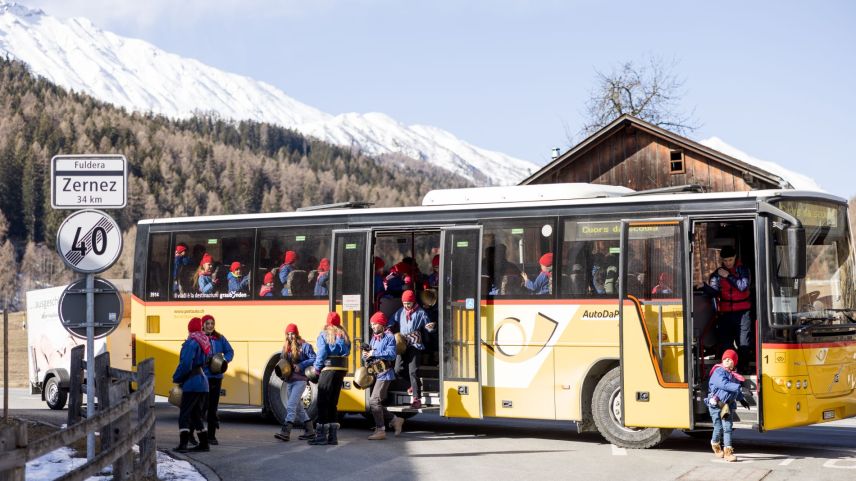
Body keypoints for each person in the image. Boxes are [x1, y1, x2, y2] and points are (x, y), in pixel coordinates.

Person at [702, 246, 752, 373]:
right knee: (725, 343)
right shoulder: (717, 274)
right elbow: (714, 292)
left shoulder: (743, 270)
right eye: (725, 260)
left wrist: (728, 276)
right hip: (725, 313)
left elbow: (743, 286)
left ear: (735, 258)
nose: (728, 263)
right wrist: (704, 287)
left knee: (743, 343)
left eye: (730, 260)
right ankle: (727, 371)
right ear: (721, 260)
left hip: (743, 312)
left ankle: (743, 369)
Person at [308, 312, 351, 446]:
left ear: (327, 323)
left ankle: (321, 436)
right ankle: (333, 437)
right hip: (341, 371)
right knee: (333, 403)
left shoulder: (325, 334)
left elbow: (321, 352)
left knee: (322, 403)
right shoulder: (344, 335)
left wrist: (316, 368)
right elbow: (347, 351)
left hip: (327, 369)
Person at [389, 290, 436, 408]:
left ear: (413, 301)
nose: (406, 305)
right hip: (402, 344)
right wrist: (387, 327)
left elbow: (428, 327)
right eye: (404, 303)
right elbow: (391, 320)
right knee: (398, 369)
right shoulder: (400, 312)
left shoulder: (420, 312)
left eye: (408, 303)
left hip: (415, 344)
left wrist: (431, 327)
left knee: (412, 371)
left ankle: (416, 398)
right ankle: (413, 383)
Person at [364, 312, 406, 440]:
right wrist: (366, 355)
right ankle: (395, 420)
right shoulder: (374, 337)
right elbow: (370, 353)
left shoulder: (389, 337)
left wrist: (374, 353)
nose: (373, 326)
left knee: (373, 401)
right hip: (377, 372)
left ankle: (380, 430)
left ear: (382, 324)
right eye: (371, 324)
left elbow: (392, 354)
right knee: (375, 403)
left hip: (386, 373)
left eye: (375, 324)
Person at [172, 317, 210, 453]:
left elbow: (186, 364)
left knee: (184, 414)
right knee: (195, 415)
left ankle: (183, 444)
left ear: (189, 329)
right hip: (203, 383)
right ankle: (204, 443)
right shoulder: (205, 341)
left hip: (192, 383)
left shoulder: (192, 342)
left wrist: (177, 377)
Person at [705, 349, 750, 462]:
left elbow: (735, 389)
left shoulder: (734, 375)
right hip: (716, 405)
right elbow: (724, 384)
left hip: (726, 407)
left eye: (729, 359)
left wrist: (742, 399)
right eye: (725, 359)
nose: (726, 361)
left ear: (734, 362)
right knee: (719, 427)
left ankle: (728, 453)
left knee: (728, 428)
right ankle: (715, 445)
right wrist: (739, 387)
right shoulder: (718, 372)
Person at [275, 323, 317, 442]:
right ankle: (310, 431)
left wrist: (301, 365)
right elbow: (282, 362)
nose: (290, 336)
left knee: (291, 405)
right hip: (289, 381)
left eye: (292, 333)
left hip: (300, 381)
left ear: (296, 333)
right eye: (288, 334)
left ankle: (285, 432)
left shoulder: (305, 346)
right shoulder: (286, 347)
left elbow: (314, 358)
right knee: (298, 408)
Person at [200, 314, 233, 446]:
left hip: (217, 377)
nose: (210, 326)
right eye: (207, 323)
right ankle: (196, 434)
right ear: (203, 325)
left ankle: (211, 436)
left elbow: (230, 351)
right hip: (204, 377)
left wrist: (224, 361)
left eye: (212, 323)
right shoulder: (199, 339)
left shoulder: (220, 338)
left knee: (213, 408)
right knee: (202, 407)